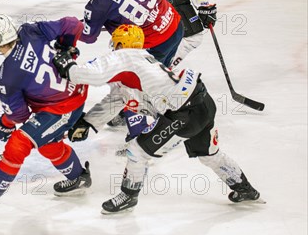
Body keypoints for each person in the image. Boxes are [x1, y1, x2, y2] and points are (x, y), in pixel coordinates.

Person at [52, 23, 262, 213]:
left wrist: (69, 68)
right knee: (209, 155)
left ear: (120, 44)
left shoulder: (126, 57)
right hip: (202, 102)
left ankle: (129, 196)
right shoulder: (143, 62)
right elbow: (117, 99)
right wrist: (88, 122)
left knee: (137, 150)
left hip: (184, 112)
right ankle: (244, 188)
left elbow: (94, 74)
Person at [0, 14, 90, 218]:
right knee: (46, 143)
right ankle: (78, 177)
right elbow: (74, 25)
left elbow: (19, 114)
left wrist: (6, 123)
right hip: (77, 86)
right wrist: (66, 49)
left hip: (64, 107)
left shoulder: (6, 75)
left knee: (19, 143)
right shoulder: (29, 31)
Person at [72, 0, 183, 68]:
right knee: (165, 78)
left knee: (146, 83)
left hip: (157, 42)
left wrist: (68, 29)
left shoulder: (96, 7)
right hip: (174, 22)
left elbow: (89, 36)